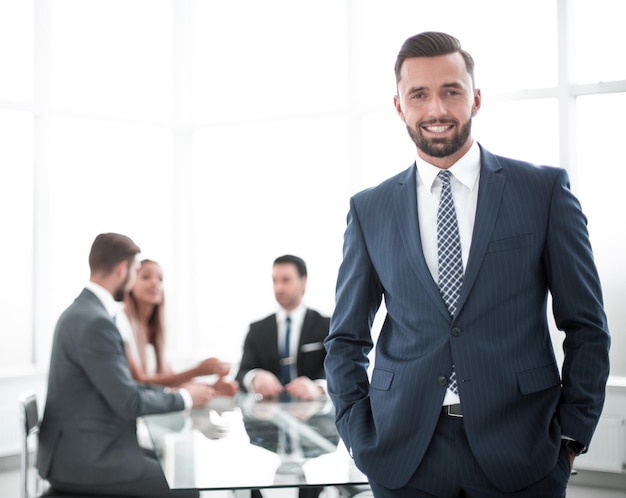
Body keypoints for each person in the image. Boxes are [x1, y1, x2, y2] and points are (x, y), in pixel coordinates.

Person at [323, 32, 610, 498]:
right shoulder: (369, 209)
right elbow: (345, 338)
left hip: (524, 452)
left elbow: (587, 326)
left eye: (451, 91)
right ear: (399, 106)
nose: (436, 109)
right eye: (419, 94)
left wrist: (572, 435)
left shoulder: (543, 192)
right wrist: (359, 435)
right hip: (403, 456)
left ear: (475, 99)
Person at [37, 233, 215, 498]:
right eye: (135, 272)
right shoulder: (95, 322)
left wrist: (177, 394)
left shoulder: (84, 313)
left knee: (171, 463)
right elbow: (128, 401)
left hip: (82, 446)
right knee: (186, 487)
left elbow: (124, 385)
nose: (133, 280)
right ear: (123, 269)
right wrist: (186, 397)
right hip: (84, 459)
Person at [120, 258, 237, 395]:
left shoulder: (157, 331)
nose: (155, 283)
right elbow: (139, 381)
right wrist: (196, 371)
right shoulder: (122, 324)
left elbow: (169, 378)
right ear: (130, 283)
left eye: (160, 279)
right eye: (146, 277)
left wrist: (212, 387)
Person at [236, 255, 330, 401]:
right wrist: (255, 378)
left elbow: (339, 369)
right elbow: (242, 372)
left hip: (316, 413)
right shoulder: (257, 330)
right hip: (268, 415)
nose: (279, 287)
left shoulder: (327, 326)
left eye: (286, 280)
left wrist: (318, 388)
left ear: (303, 281)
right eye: (275, 281)